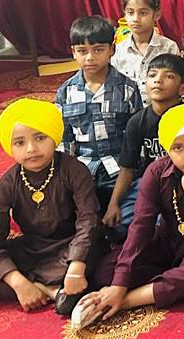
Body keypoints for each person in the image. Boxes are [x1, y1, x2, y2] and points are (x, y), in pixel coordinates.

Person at [72, 104, 184, 328]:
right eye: (178, 147)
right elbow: (140, 227)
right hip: (165, 241)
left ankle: (128, 301)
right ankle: (181, 285)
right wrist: (118, 283)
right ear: (167, 150)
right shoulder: (156, 171)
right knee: (105, 273)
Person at [0, 99, 98, 315]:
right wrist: (17, 281)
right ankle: (48, 291)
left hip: (70, 247)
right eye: (20, 143)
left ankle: (2, 290)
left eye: (40, 138)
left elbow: (88, 221)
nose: (31, 149)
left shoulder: (74, 170)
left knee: (102, 268)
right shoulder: (9, 182)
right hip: (32, 250)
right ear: (10, 147)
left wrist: (76, 266)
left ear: (53, 137)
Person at [56, 16, 142, 224]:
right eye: (82, 51)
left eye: (98, 50)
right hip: (82, 172)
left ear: (111, 49)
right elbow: (64, 140)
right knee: (60, 220)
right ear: (73, 52)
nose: (90, 58)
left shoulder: (128, 89)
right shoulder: (66, 92)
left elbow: (136, 140)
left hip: (119, 172)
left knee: (125, 223)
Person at [105, 56, 184, 235]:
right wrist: (113, 204)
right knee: (120, 224)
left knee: (164, 226)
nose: (158, 80)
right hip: (148, 183)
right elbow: (127, 168)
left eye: (168, 76)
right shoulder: (137, 122)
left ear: (183, 89)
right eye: (152, 75)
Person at [112, 0, 180, 101]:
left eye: (143, 13)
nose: (136, 19)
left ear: (157, 15)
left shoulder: (168, 47)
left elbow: (175, 84)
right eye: (130, 13)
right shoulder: (119, 50)